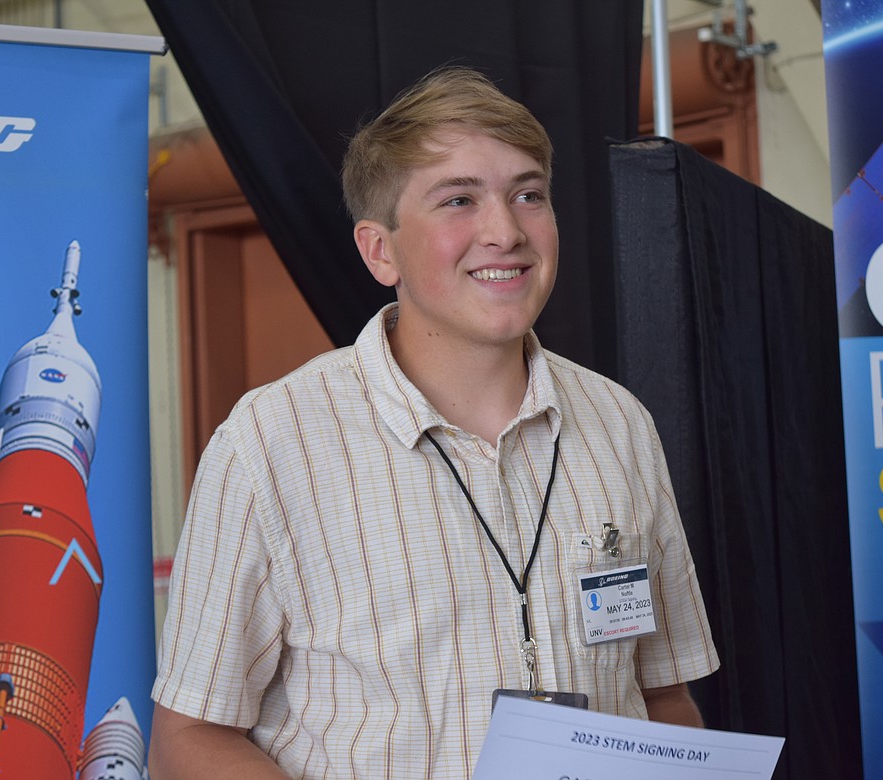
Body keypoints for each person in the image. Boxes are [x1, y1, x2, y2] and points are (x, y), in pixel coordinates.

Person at [147, 66, 719, 780]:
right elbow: (189, 739)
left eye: (528, 195)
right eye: (458, 200)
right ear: (379, 250)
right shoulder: (271, 443)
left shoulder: (619, 425)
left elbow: (663, 696)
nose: (504, 231)